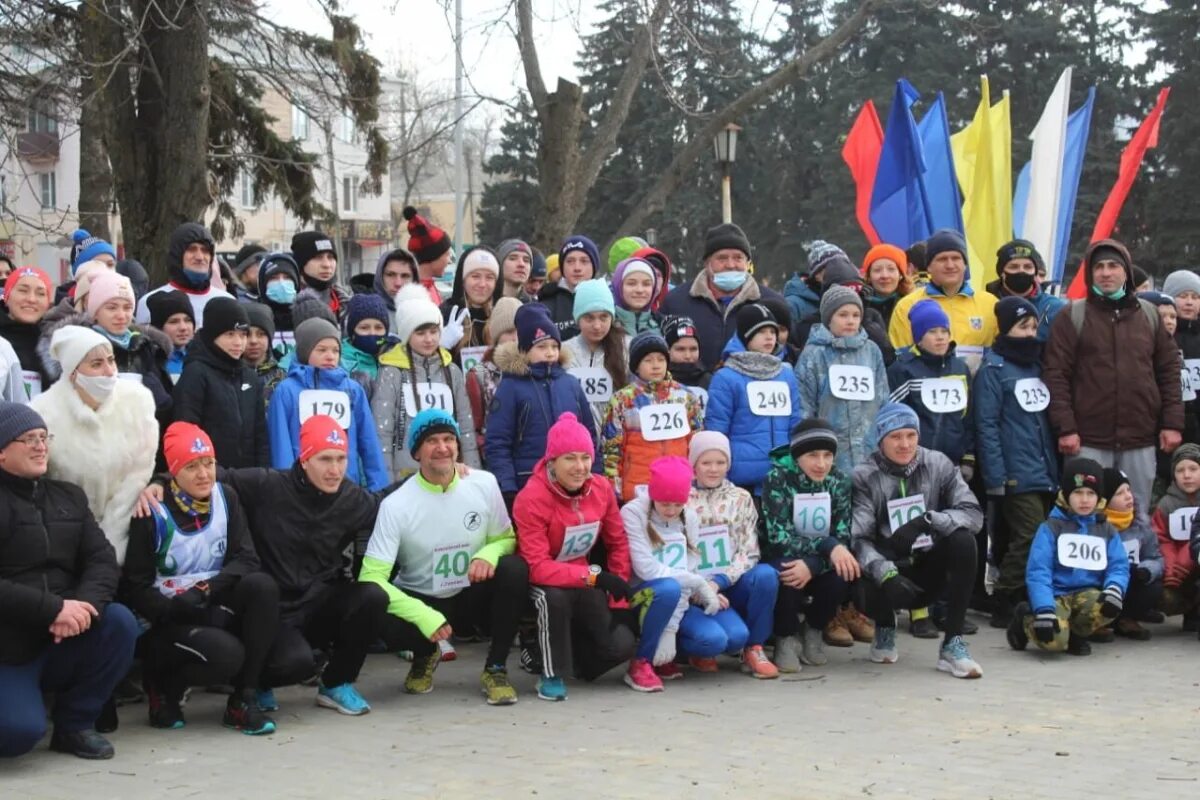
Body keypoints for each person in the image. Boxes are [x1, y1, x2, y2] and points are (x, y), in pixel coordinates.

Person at [148, 415, 391, 716]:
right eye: (325, 459)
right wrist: (161, 481)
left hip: (315, 604)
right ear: (304, 459)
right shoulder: (267, 484)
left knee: (372, 597)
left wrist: (442, 473)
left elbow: (389, 503)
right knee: (295, 664)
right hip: (269, 614)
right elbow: (208, 474)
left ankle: (337, 683)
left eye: (341, 458)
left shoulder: (351, 497)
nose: (335, 469)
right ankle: (257, 682)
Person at [362, 409, 529, 705]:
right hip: (422, 599)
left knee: (514, 569)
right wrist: (422, 615)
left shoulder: (483, 483)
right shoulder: (395, 505)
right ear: (416, 453)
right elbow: (371, 577)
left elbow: (506, 539)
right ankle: (426, 653)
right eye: (432, 441)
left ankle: (495, 668)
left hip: (469, 594)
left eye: (449, 439)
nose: (442, 448)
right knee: (372, 604)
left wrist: (489, 554)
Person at [0, 402, 138, 760]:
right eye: (28, 439)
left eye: (44, 437)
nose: (40, 445)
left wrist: (84, 608)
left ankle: (74, 725)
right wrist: (53, 609)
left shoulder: (68, 497)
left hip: (63, 636)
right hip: (9, 648)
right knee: (16, 736)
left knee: (119, 622)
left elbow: (101, 560)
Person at [120, 422, 278, 734]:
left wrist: (204, 591)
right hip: (166, 617)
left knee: (262, 587)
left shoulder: (226, 496)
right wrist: (173, 608)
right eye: (192, 466)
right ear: (174, 471)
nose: (204, 474)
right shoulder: (152, 509)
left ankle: (243, 700)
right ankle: (163, 687)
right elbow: (134, 584)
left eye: (209, 463)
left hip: (208, 602)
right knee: (227, 655)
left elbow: (246, 558)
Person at [1043, 239, 1184, 513]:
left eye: (1113, 266)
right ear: (1091, 274)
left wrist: (1172, 423)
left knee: (1136, 513)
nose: (1106, 273)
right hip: (1086, 438)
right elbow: (1056, 375)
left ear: (1126, 272)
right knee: (1085, 514)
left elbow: (1168, 372)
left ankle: (1136, 559)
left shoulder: (1150, 316)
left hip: (1139, 438)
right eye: (1099, 267)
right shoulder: (1072, 316)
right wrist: (1066, 428)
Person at [851, 403, 984, 678]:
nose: (905, 444)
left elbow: (973, 514)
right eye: (895, 437)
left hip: (926, 565)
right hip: (884, 574)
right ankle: (885, 625)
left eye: (911, 436)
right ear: (880, 440)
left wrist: (927, 520)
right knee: (856, 569)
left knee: (963, 541)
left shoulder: (938, 463)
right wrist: (886, 573)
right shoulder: (863, 475)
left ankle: (953, 644)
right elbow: (859, 539)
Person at [515, 412, 636, 701]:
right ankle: (550, 671)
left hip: (583, 578)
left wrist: (617, 593)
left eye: (585, 457)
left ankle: (571, 658)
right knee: (553, 599)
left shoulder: (601, 488)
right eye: (569, 458)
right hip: (543, 582)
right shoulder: (531, 498)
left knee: (621, 646)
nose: (580, 467)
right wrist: (595, 577)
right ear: (551, 461)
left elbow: (617, 541)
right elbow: (536, 566)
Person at [31, 326, 158, 564]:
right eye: (96, 364)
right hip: (65, 543)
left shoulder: (136, 402)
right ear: (72, 372)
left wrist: (113, 535)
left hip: (130, 534)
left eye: (111, 360)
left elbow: (140, 471)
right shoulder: (43, 414)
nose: (109, 371)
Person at [973, 297, 1059, 628]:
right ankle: (1005, 595)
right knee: (1030, 534)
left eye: (1034, 326)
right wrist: (996, 475)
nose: (1030, 333)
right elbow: (987, 425)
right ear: (1006, 329)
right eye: (1023, 326)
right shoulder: (992, 370)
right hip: (1015, 471)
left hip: (1044, 467)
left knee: (1041, 535)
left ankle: (1027, 592)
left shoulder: (1039, 366)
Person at [621, 457, 743, 689]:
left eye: (678, 505)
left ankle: (666, 652)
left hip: (677, 597)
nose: (671, 511)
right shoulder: (632, 513)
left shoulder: (689, 517)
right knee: (668, 587)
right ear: (653, 495)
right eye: (665, 504)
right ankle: (641, 661)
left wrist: (671, 627)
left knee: (729, 637)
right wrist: (699, 583)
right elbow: (646, 569)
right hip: (641, 593)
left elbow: (688, 570)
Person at [761, 419, 868, 671]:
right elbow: (779, 538)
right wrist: (825, 546)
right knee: (789, 572)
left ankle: (814, 628)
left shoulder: (839, 482)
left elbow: (842, 535)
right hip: (781, 556)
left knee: (842, 572)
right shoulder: (777, 479)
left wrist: (815, 562)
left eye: (828, 455)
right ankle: (785, 636)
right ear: (798, 456)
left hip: (819, 560)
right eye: (812, 455)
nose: (821, 464)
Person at [1007, 458, 1130, 657]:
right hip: (1055, 595)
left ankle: (1076, 634)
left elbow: (1118, 566)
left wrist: (1114, 588)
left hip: (1086, 593)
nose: (1084, 500)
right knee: (1053, 643)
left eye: (1091, 493)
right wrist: (1044, 608)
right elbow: (1039, 571)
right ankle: (1025, 621)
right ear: (1065, 494)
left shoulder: (1106, 529)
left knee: (1107, 606)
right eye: (1078, 493)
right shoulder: (1051, 528)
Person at [683, 432, 783, 675]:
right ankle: (695, 649)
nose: (714, 469)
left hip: (730, 581)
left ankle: (754, 647)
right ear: (694, 463)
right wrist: (701, 586)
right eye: (706, 462)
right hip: (693, 587)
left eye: (721, 462)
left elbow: (749, 551)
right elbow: (674, 548)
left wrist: (719, 582)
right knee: (717, 639)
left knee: (767, 575)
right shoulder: (681, 498)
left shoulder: (741, 498)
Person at [485, 303, 597, 502]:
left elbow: (589, 434)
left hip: (571, 484)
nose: (550, 352)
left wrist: (596, 474)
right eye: (541, 347)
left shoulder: (570, 384)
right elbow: (498, 442)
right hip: (527, 484)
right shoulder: (511, 387)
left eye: (554, 346)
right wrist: (507, 486)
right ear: (524, 350)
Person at [268, 317, 389, 491]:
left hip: (346, 485)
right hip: (301, 488)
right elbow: (281, 446)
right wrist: (287, 491)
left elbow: (369, 443)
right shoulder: (286, 391)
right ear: (304, 351)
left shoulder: (353, 390)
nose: (330, 356)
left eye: (335, 350)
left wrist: (379, 490)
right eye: (322, 350)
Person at [372, 284, 480, 479]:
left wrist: (474, 474)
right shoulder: (391, 372)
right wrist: (384, 482)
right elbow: (382, 432)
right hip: (405, 475)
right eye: (420, 333)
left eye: (434, 331)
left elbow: (465, 426)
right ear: (406, 335)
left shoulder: (452, 370)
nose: (429, 339)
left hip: (447, 471)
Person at [705, 303, 801, 495]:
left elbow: (795, 422)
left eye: (773, 331)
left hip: (783, 476)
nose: (769, 337)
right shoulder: (726, 378)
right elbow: (717, 431)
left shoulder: (787, 375)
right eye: (761, 332)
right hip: (740, 480)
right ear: (745, 337)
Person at [660, 222, 785, 370]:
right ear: (707, 263)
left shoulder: (771, 303)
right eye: (722, 258)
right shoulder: (676, 302)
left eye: (738, 258)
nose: (731, 265)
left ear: (748, 263)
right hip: (689, 390)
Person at [795, 285, 889, 474]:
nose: (850, 321)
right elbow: (804, 407)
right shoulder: (814, 354)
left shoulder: (872, 351)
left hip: (869, 453)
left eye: (856, 315)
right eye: (843, 315)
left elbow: (883, 399)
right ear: (829, 318)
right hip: (829, 457)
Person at [602, 331, 701, 503]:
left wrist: (696, 481)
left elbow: (696, 442)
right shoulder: (622, 400)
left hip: (680, 487)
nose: (656, 366)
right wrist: (614, 491)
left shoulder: (686, 397)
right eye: (648, 360)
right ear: (636, 366)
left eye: (661, 360)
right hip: (638, 489)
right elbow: (612, 450)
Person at [172, 298, 268, 468]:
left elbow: (260, 437)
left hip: (248, 480)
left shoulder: (250, 377)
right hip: (209, 478)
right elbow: (185, 431)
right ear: (212, 335)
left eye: (242, 335)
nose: (238, 343)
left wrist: (261, 476)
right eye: (230, 334)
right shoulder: (196, 374)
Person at [886, 300, 974, 481]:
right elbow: (894, 418)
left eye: (944, 331)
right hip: (916, 464)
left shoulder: (959, 368)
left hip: (954, 463)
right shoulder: (902, 369)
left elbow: (969, 416)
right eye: (932, 332)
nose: (940, 337)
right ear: (918, 337)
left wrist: (969, 457)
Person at [888, 229, 998, 372]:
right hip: (928, 388)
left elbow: (1000, 355)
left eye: (956, 258)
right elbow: (902, 358)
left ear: (965, 264)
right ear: (929, 266)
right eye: (942, 259)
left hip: (980, 389)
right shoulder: (907, 306)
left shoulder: (990, 304)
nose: (950, 265)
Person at [1102, 467, 1163, 640]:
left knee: (1154, 586)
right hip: (1103, 584)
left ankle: (1126, 619)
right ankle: (1096, 623)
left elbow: (1155, 557)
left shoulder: (1140, 524)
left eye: (1128, 490)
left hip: (1132, 580)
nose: (1128, 496)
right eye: (1119, 493)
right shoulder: (1096, 527)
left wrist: (1146, 569)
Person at [136, 223, 233, 327]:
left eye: (205, 250)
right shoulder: (150, 302)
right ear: (178, 255)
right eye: (192, 249)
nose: (200, 257)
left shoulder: (228, 302)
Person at [563, 278, 629, 430]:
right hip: (575, 438)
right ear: (577, 318)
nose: (597, 326)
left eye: (604, 317)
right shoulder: (563, 351)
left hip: (615, 439)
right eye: (589, 318)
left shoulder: (627, 348)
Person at [1150, 443, 1200, 630]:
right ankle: (1190, 610)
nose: (1187, 475)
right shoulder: (1166, 505)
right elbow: (1161, 539)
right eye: (1180, 470)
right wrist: (1172, 568)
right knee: (1165, 596)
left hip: (1194, 560)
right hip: (1177, 571)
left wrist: (1185, 558)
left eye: (1193, 469)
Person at [466, 297, 520, 455]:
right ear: (497, 337)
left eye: (520, 330)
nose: (516, 338)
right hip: (494, 458)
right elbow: (472, 428)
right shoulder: (479, 375)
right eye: (509, 332)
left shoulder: (536, 369)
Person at [985, 239, 1066, 343]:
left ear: (1035, 272)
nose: (1021, 271)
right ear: (1002, 273)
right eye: (1013, 267)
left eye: (1028, 267)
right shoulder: (986, 304)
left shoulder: (1055, 308)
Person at [0, 265, 54, 397]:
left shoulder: (52, 343)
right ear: (7, 297)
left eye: (40, 293)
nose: (31, 299)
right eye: (23, 291)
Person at [538, 235, 603, 339]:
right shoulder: (545, 306)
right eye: (570, 261)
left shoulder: (609, 300)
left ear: (594, 266)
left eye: (584, 261)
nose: (577, 268)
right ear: (562, 266)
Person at [440, 247, 500, 359]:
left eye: (489, 277)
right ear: (463, 280)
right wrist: (440, 347)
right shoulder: (446, 314)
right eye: (475, 276)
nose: (482, 284)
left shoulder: (503, 315)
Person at [340, 292, 393, 398]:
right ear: (352, 332)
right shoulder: (340, 361)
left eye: (378, 328)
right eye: (364, 328)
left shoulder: (393, 360)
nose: (372, 333)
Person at [291, 231, 351, 323]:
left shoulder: (347, 301)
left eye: (330, 257)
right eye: (318, 257)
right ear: (301, 264)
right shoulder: (290, 303)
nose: (326, 265)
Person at [402, 206, 453, 305]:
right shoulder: (416, 296)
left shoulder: (428, 287)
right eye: (447, 255)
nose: (449, 261)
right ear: (432, 256)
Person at [661, 315, 711, 412]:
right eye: (680, 349)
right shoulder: (657, 380)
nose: (688, 355)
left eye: (693, 349)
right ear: (667, 350)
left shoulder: (709, 381)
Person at [146, 289, 195, 383]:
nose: (183, 327)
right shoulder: (148, 361)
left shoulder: (203, 356)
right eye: (173, 322)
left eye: (188, 320)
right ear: (158, 327)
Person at [256, 253, 302, 353]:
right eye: (274, 278)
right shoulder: (254, 317)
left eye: (287, 277)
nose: (282, 283)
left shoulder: (307, 315)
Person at [242, 302, 286, 405]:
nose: (253, 341)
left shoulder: (283, 378)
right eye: (247, 334)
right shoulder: (227, 376)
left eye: (261, 334)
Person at [861, 243, 913, 327]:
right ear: (868, 276)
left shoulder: (912, 305)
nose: (885, 275)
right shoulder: (858, 305)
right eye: (877, 270)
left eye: (891, 269)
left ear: (901, 274)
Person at [612, 257, 662, 335]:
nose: (639, 290)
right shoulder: (605, 324)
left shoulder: (663, 326)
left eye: (646, 284)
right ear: (619, 286)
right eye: (631, 283)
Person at [372, 247, 418, 312]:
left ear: (414, 280)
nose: (398, 283)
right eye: (390, 274)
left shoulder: (425, 314)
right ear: (380, 277)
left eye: (405, 276)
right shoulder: (363, 315)